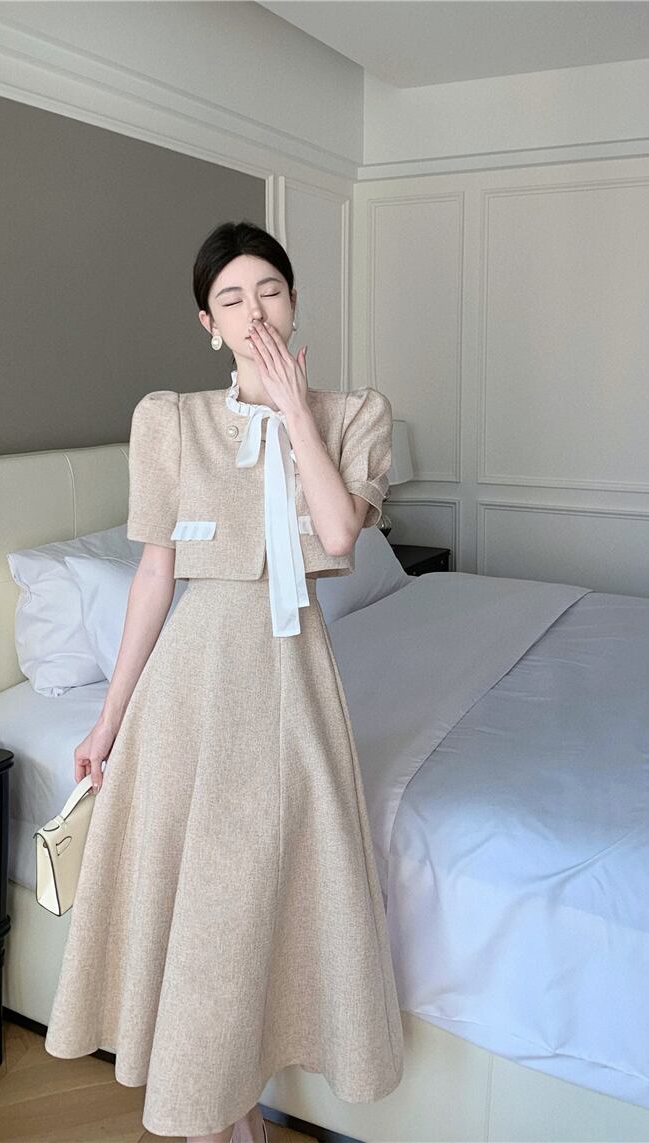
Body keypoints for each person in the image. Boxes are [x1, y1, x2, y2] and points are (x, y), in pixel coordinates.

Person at [43, 220, 405, 1142]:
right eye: (232, 299)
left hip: (290, 676)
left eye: (270, 291)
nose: (255, 313)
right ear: (208, 323)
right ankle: (222, 1116)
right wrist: (109, 718)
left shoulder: (355, 414)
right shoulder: (168, 420)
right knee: (201, 908)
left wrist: (293, 413)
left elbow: (339, 534)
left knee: (258, 901)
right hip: (191, 684)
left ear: (295, 302)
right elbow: (155, 576)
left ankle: (229, 1107)